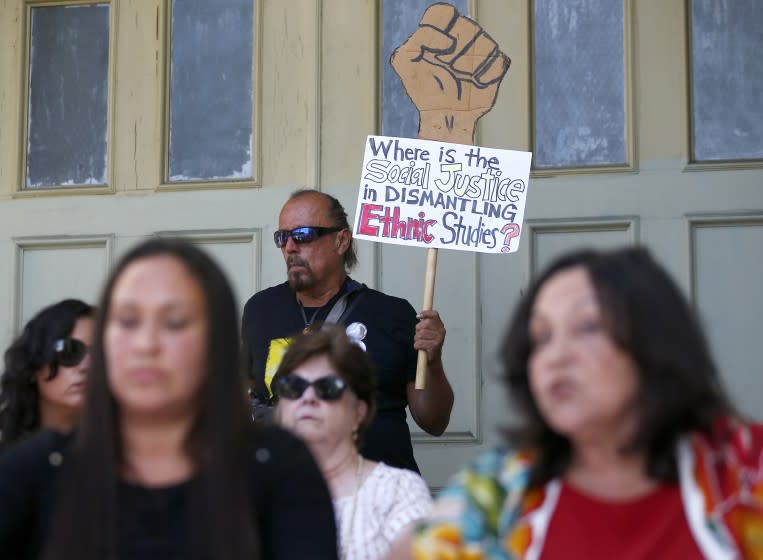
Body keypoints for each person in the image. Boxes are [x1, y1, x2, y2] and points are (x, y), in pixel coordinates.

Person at [392, 247, 763, 559]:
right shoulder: (499, 491)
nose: (556, 356)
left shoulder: (745, 471)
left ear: (655, 340)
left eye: (586, 327)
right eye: (541, 337)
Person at [0, 238, 338, 560]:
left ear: (215, 342)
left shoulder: (278, 465)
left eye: (174, 322)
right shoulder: (40, 467)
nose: (146, 344)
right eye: (127, 321)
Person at [242, 189, 454, 472]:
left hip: (378, 499)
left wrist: (434, 361)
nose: (290, 247)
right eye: (282, 237)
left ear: (341, 240)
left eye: (303, 235)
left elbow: (434, 422)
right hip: (291, 498)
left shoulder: (392, 314)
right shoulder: (260, 310)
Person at [274, 324, 432, 560]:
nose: (307, 398)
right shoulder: (249, 488)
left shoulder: (397, 492)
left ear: (358, 412)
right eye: (293, 387)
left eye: (327, 388)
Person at [0, 298, 94, 450]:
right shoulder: (7, 463)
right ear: (34, 365)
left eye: (99, 354)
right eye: (70, 350)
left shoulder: (126, 460)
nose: (86, 366)